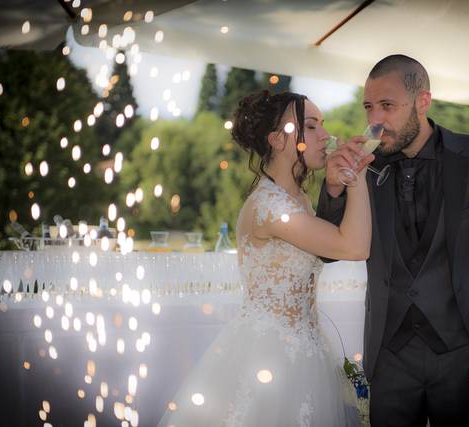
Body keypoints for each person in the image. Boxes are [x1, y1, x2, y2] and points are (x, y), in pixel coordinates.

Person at [317, 54, 469, 426]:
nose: (375, 120)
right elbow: (327, 251)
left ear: (422, 101)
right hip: (389, 357)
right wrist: (334, 187)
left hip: (465, 353)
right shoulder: (365, 167)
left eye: (387, 106)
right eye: (369, 107)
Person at [158, 90, 373, 426]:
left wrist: (334, 187)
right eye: (312, 127)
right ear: (277, 140)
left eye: (323, 126)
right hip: (270, 357)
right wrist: (356, 175)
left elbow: (327, 241)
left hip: (305, 348)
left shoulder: (296, 198)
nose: (326, 136)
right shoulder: (270, 208)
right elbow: (354, 247)